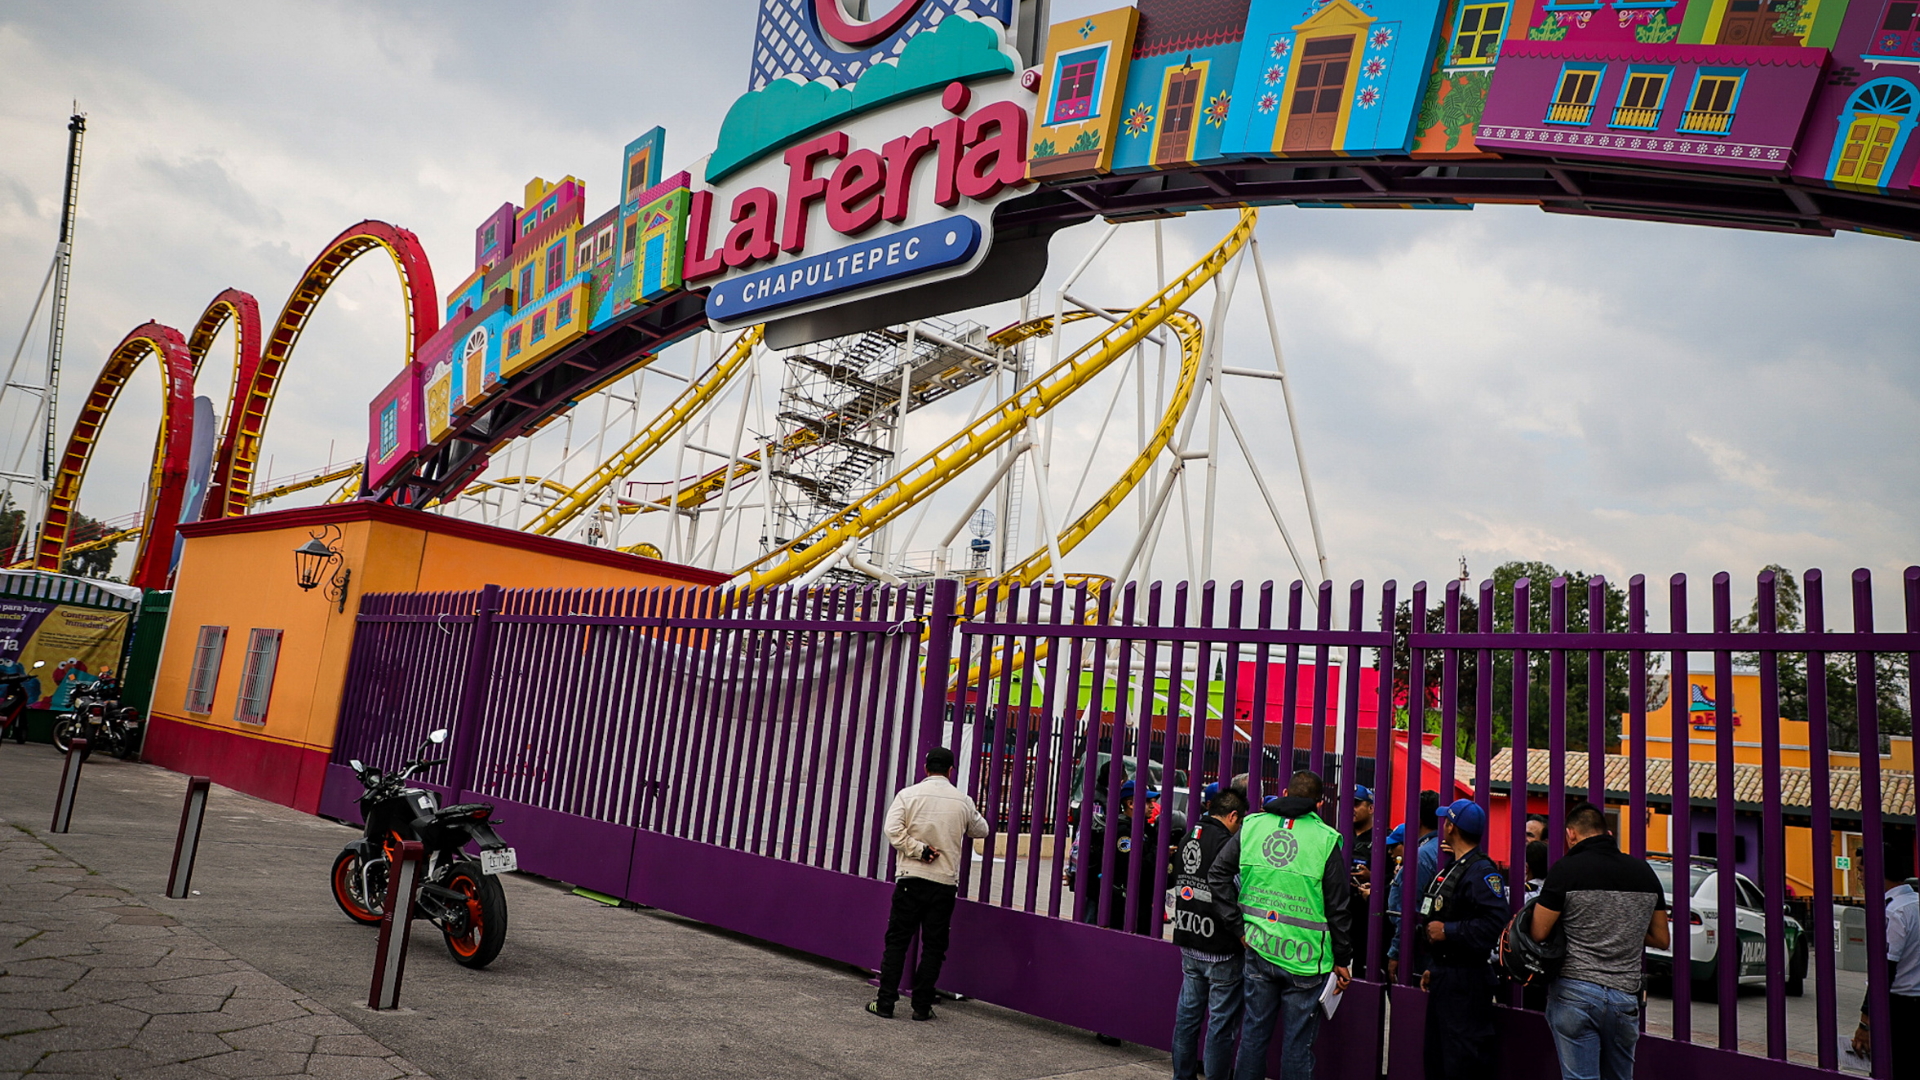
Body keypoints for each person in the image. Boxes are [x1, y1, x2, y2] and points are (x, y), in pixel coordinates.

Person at [1209, 770, 1352, 1080]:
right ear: (1319, 803)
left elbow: (1217, 874)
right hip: (1305, 958)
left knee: (1253, 1034)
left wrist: (1238, 928)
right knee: (1298, 1045)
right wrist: (1342, 959)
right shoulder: (1325, 839)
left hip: (1259, 947)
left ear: (1285, 793)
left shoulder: (1252, 825)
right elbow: (1338, 907)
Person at [1527, 802, 1667, 1080]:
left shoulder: (1566, 870)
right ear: (1607, 833)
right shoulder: (1644, 872)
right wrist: (1623, 926)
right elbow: (1662, 938)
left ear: (1571, 834)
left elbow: (1539, 932)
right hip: (1624, 996)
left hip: (1575, 992)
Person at [869, 746, 987, 1021]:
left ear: (925, 768)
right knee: (934, 946)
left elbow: (892, 829)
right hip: (943, 883)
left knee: (897, 942)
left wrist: (918, 849)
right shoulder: (962, 801)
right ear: (950, 771)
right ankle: (922, 1007)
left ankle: (885, 1003)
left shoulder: (907, 795)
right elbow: (982, 829)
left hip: (910, 879)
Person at [1420, 798, 1507, 1080]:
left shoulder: (1481, 872)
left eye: (1446, 821)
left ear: (1451, 827)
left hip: (1467, 981)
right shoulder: (1456, 867)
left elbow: (1493, 923)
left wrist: (1448, 931)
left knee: (1461, 1060)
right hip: (1448, 974)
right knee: (1438, 1057)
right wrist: (1436, 966)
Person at [1171, 788, 1250, 1080]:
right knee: (1221, 1026)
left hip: (1189, 937)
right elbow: (1238, 889)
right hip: (1222, 946)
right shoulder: (1227, 844)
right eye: (1240, 822)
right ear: (1233, 816)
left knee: (1187, 1019)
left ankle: (1182, 1076)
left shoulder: (1188, 838)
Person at [1850, 839, 1918, 1075]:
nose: (1859, 877)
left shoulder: (1893, 912)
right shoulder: (1914, 904)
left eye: (1861, 870)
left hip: (1899, 1008)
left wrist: (1865, 1023)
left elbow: (1884, 971)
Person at [1387, 791, 1442, 980]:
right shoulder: (1441, 848)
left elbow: (1409, 909)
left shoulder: (1422, 856)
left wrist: (1396, 952)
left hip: (1418, 946)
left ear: (1417, 819)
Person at [1347, 785, 1376, 972]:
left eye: (1357, 804)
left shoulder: (1384, 838)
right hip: (1342, 912)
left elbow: (1396, 879)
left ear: (1371, 808)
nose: (1352, 809)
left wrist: (1373, 877)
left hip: (1367, 917)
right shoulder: (1340, 834)